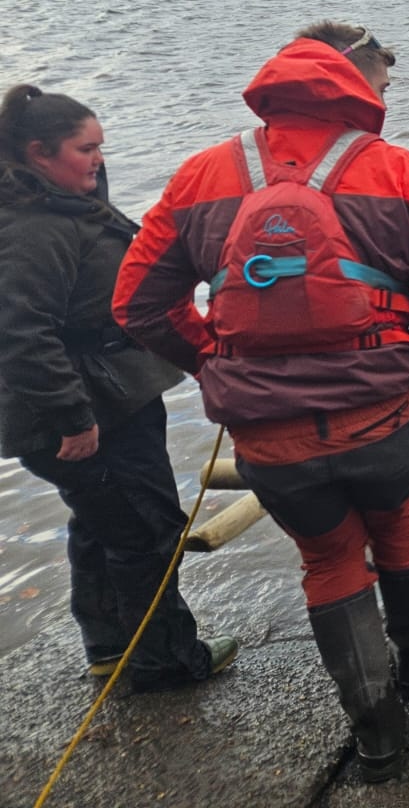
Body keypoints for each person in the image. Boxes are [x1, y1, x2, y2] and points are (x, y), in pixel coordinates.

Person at [115, 23, 409, 783]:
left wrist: (213, 360)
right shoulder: (400, 171)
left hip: (269, 436)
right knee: (401, 522)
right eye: (383, 84)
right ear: (354, 83)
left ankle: (377, 739)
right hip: (383, 416)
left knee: (327, 558)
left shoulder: (202, 173)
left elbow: (135, 304)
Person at [0, 84, 238, 693]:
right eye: (86, 150)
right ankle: (166, 661)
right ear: (38, 152)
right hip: (87, 410)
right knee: (146, 529)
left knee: (101, 522)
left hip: (112, 393)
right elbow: (21, 334)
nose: (99, 159)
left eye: (101, 147)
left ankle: (111, 647)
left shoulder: (61, 204)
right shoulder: (32, 228)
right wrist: (73, 418)